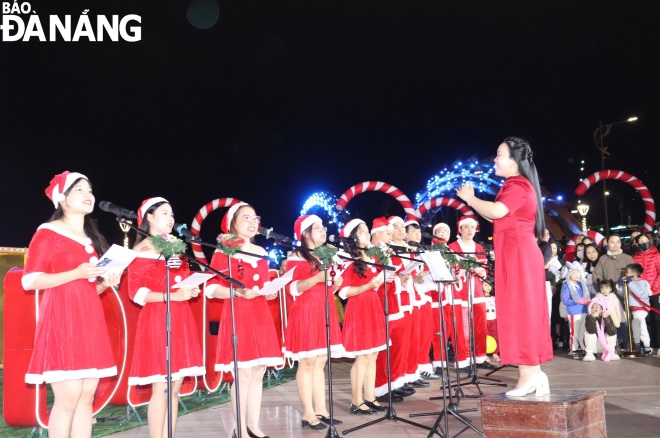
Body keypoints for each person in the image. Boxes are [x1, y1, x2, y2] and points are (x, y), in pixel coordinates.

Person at [22, 171, 121, 437]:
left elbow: (86, 287)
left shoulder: (91, 239)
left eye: (90, 189)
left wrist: (104, 284)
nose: (88, 194)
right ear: (62, 199)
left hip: (89, 321)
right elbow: (30, 280)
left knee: (86, 397)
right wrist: (76, 273)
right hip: (62, 320)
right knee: (68, 399)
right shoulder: (48, 233)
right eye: (79, 189)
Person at [456, 136, 552, 397]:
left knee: (521, 313)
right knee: (521, 312)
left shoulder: (518, 184)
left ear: (515, 160)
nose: (495, 159)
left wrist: (471, 199)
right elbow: (495, 215)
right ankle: (534, 373)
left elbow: (498, 211)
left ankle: (529, 374)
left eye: (500, 154)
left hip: (519, 256)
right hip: (515, 255)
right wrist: (472, 201)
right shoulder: (515, 185)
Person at [126, 197, 206, 438]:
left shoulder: (175, 246)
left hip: (180, 317)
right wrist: (172, 295)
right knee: (161, 386)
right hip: (158, 318)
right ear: (148, 217)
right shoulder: (142, 249)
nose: (171, 218)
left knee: (175, 385)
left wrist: (189, 289)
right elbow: (136, 292)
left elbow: (179, 281)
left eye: (172, 214)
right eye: (164, 213)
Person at [205, 202, 284, 438]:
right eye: (246, 218)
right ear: (233, 223)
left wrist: (269, 290)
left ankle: (254, 426)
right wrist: (237, 292)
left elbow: (260, 283)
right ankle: (239, 429)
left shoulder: (261, 252)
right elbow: (211, 287)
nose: (252, 222)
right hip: (238, 312)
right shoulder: (224, 251)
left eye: (255, 218)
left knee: (259, 370)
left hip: (260, 312)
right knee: (244, 373)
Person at [282, 215, 345, 429]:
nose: (323, 230)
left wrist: (335, 284)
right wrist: (316, 279)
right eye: (316, 227)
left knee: (320, 361)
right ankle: (308, 413)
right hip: (306, 311)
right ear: (305, 232)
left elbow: (325, 285)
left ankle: (321, 409)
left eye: (323, 227)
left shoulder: (325, 255)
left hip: (324, 310)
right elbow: (292, 288)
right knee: (308, 362)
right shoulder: (297, 256)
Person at [336, 218, 387, 414]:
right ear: (353, 236)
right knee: (363, 356)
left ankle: (370, 397)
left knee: (373, 355)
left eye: (367, 230)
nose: (367, 233)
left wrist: (383, 279)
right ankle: (356, 401)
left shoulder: (373, 256)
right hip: (359, 309)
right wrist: (368, 286)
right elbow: (343, 291)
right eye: (363, 231)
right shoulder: (350, 260)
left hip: (373, 306)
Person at [448, 215, 495, 370]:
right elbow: (449, 270)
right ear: (460, 229)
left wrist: (482, 272)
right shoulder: (452, 247)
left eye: (472, 227)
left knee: (481, 324)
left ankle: (480, 356)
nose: (470, 230)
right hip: (460, 290)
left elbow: (485, 269)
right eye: (466, 227)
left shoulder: (480, 248)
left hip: (476, 290)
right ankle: (462, 358)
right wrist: (461, 270)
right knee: (462, 325)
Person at [632, 233, 660, 352]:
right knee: (644, 320)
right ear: (637, 244)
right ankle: (647, 345)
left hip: (655, 292)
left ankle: (658, 344)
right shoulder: (634, 257)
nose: (644, 243)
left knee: (656, 318)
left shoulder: (657, 255)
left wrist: (653, 289)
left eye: (646, 241)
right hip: (640, 295)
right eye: (641, 242)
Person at [618, 263, 653, 355]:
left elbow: (640, 293)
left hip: (641, 308)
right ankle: (641, 345)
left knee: (638, 324)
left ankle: (645, 345)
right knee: (638, 325)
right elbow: (623, 295)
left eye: (627, 272)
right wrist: (620, 286)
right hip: (634, 309)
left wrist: (630, 282)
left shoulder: (642, 282)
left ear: (634, 273)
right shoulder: (630, 283)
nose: (625, 274)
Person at [560, 262, 590, 359]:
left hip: (583, 311)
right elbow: (565, 299)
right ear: (568, 275)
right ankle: (575, 349)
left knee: (583, 331)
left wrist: (586, 302)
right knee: (574, 332)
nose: (577, 274)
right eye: (574, 273)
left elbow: (585, 297)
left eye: (578, 272)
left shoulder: (581, 284)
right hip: (574, 312)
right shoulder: (567, 286)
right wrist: (577, 301)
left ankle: (583, 348)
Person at [583, 297, 620, 362]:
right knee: (588, 333)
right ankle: (589, 354)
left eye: (597, 307)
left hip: (605, 346)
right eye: (592, 307)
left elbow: (612, 331)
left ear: (602, 309)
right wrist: (593, 318)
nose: (594, 309)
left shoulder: (607, 316)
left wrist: (607, 318)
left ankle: (611, 352)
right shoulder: (589, 318)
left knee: (612, 334)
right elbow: (591, 330)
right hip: (594, 346)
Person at [482, 278, 500, 361]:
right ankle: (484, 354)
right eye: (485, 285)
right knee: (484, 337)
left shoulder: (494, 298)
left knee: (495, 336)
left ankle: (495, 354)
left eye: (489, 285)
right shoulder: (480, 298)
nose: (488, 287)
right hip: (484, 321)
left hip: (494, 320)